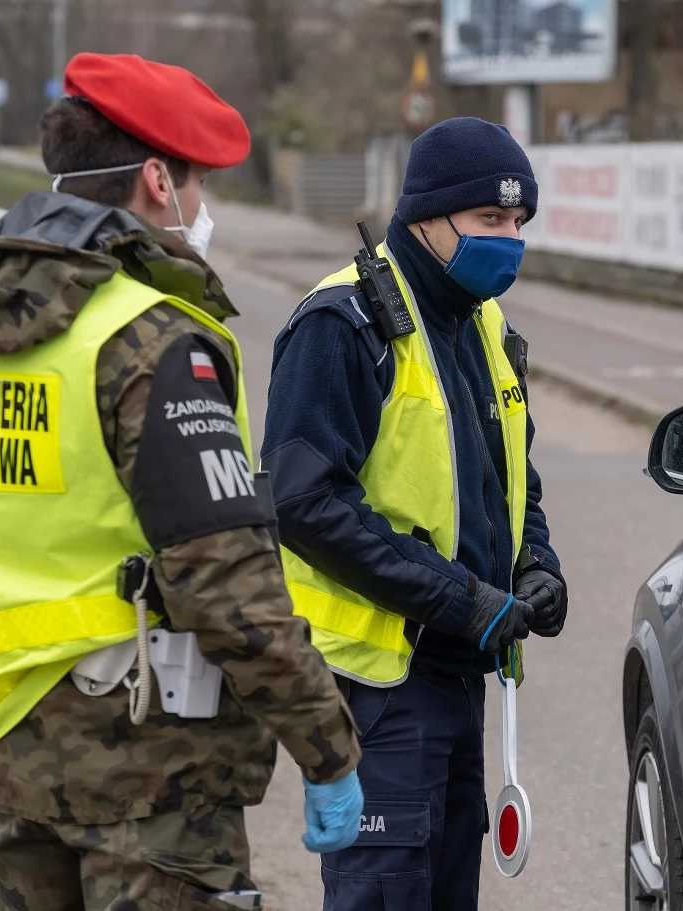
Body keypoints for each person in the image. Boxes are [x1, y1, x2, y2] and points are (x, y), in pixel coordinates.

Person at [0, 53, 362, 910]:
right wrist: (326, 747)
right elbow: (225, 582)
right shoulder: (151, 340)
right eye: (197, 185)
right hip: (153, 784)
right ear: (158, 179)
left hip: (9, 753)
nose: (203, 209)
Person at [261, 117, 568, 909]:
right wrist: (459, 598)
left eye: (519, 223)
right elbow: (304, 501)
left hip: (463, 676)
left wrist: (535, 564)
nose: (510, 240)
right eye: (490, 221)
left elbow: (512, 478)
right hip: (381, 687)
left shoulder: (487, 323)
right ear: (427, 217)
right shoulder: (343, 321)